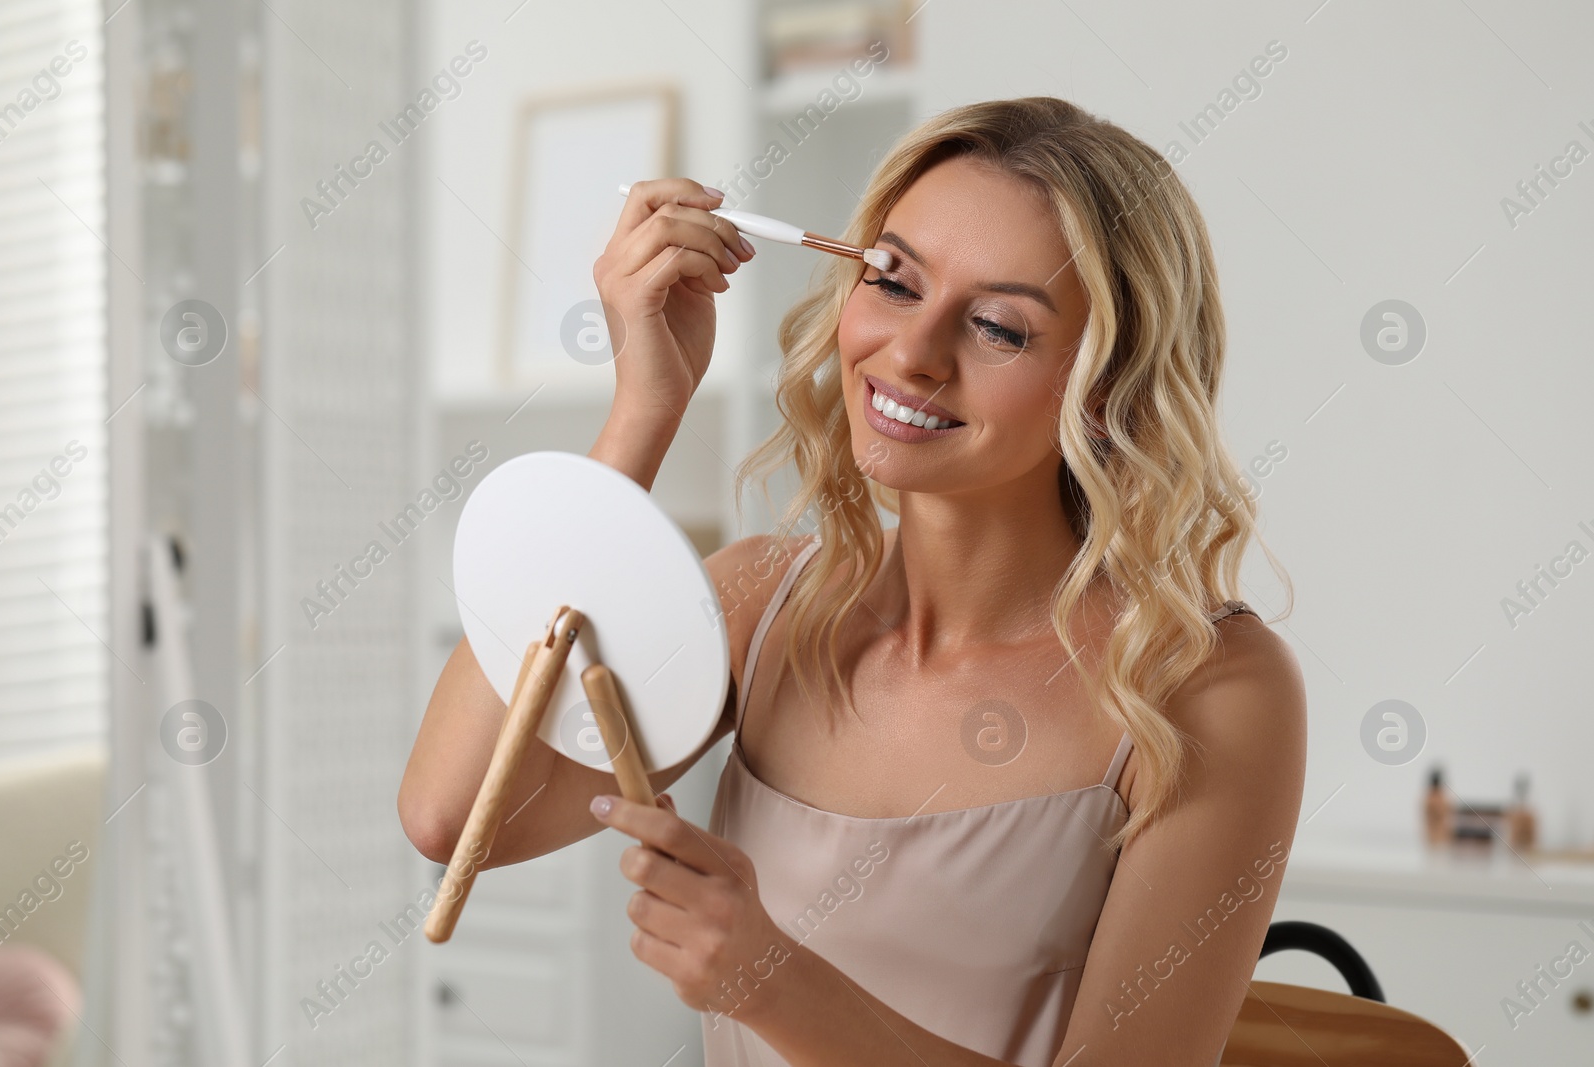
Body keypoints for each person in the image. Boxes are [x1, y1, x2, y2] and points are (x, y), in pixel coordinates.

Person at [400, 95, 1307, 1067]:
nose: (911, 355)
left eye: (998, 327)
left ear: (1105, 389)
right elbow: (455, 819)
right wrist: (644, 407)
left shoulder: (1200, 689)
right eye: (894, 281)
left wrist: (771, 980)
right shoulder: (762, 603)